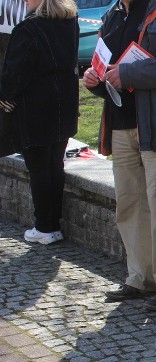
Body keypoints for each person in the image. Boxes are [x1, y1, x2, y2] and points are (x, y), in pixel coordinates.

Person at [81, 0, 156, 312]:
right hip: (121, 125)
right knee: (129, 204)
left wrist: (130, 73)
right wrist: (95, 79)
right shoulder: (112, 16)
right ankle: (140, 277)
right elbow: (109, 70)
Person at [0, 0, 79, 245]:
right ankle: (51, 225)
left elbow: (15, 73)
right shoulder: (69, 23)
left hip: (35, 107)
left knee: (39, 168)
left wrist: (4, 96)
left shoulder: (29, 29)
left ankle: (45, 225)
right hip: (63, 104)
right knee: (55, 164)